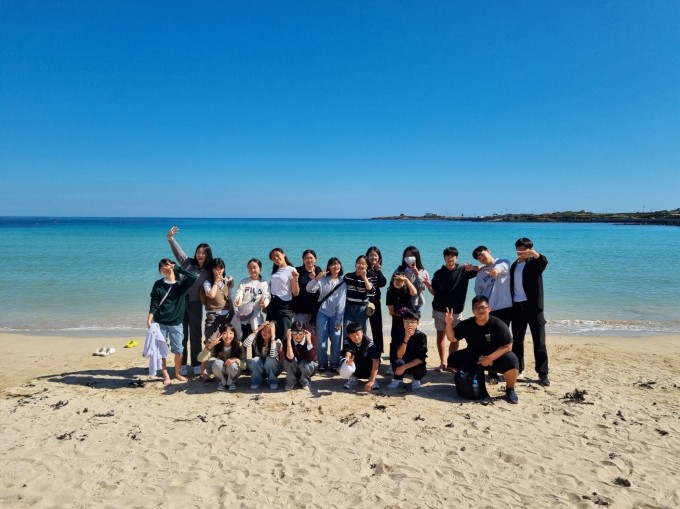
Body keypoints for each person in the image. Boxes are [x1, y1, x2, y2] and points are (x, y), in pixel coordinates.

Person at [444, 296, 520, 404]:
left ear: (489, 309)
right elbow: (452, 338)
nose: (480, 310)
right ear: (473, 310)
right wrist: (448, 323)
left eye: (483, 307)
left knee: (512, 361)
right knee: (453, 359)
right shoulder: (467, 324)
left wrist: (490, 358)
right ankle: (472, 378)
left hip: (494, 357)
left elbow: (508, 346)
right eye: (477, 308)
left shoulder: (497, 324)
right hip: (474, 356)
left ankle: (510, 389)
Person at [167, 226, 213, 376]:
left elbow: (220, 276)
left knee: (196, 335)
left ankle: (196, 363)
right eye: (198, 252)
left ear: (207, 255)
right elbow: (178, 252)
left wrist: (229, 281)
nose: (200, 255)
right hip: (181, 302)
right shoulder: (188, 263)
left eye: (203, 253)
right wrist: (171, 238)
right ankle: (183, 364)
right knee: (182, 335)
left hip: (196, 303)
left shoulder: (208, 272)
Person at [424, 247, 477, 371]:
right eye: (448, 255)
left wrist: (473, 267)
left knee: (455, 337)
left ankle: (451, 363)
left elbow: (482, 269)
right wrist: (428, 286)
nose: (450, 258)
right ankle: (442, 363)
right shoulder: (438, 273)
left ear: (456, 258)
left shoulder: (464, 271)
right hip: (439, 309)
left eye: (453, 256)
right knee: (440, 335)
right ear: (444, 258)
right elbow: (434, 292)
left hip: (456, 311)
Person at [147, 259, 198, 385]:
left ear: (172, 266)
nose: (164, 268)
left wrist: (178, 268)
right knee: (161, 350)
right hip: (160, 322)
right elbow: (154, 303)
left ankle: (177, 373)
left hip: (176, 322)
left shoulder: (181, 284)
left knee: (179, 350)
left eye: (166, 265)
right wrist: (149, 318)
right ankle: (165, 375)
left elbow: (194, 277)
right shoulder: (158, 284)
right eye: (161, 267)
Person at [510, 237, 550, 386]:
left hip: (534, 308)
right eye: (519, 248)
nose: (521, 251)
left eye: (524, 249)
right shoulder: (514, 265)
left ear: (530, 249)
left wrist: (534, 254)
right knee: (517, 341)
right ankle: (518, 369)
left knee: (539, 342)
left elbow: (544, 261)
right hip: (517, 307)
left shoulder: (534, 263)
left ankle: (543, 373)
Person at [306, 257, 346, 372]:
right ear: (329, 267)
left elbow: (342, 302)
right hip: (322, 313)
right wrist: (316, 279)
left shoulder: (342, 282)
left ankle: (334, 363)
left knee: (336, 339)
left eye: (337, 264)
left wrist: (339, 319)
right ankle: (322, 363)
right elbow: (309, 289)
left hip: (336, 314)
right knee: (321, 340)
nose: (335, 266)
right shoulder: (323, 280)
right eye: (333, 264)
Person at [199, 257, 235, 380]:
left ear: (224, 269)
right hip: (212, 315)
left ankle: (227, 365)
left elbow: (232, 286)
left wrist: (229, 279)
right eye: (216, 268)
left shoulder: (227, 280)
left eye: (221, 268)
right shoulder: (207, 282)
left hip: (227, 314)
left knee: (227, 339)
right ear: (212, 269)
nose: (218, 271)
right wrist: (216, 282)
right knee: (209, 341)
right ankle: (203, 370)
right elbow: (211, 295)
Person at [385, 272, 418, 373]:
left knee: (411, 341)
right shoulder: (390, 292)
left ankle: (409, 363)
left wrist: (406, 280)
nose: (398, 282)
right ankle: (392, 363)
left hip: (411, 321)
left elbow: (414, 293)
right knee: (395, 342)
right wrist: (402, 317)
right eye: (396, 280)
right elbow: (391, 310)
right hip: (398, 320)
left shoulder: (407, 289)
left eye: (400, 280)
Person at [386, 310, 428, 390]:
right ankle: (398, 379)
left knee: (421, 367)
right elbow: (399, 355)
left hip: (414, 364)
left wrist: (404, 367)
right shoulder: (398, 333)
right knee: (397, 362)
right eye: (406, 321)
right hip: (402, 361)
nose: (409, 324)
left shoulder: (421, 336)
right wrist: (406, 338)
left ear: (417, 323)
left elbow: (421, 359)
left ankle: (416, 380)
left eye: (412, 322)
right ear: (403, 321)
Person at [472, 246, 512, 326]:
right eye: (478, 257)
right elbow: (478, 292)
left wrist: (496, 270)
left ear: (488, 251)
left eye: (482, 254)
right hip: (488, 309)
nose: (481, 258)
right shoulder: (480, 273)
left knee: (503, 332)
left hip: (504, 307)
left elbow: (502, 267)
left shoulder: (503, 262)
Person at [197, 323, 243, 391]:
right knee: (217, 363)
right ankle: (223, 382)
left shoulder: (238, 344)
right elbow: (200, 358)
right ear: (220, 334)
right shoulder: (216, 345)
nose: (228, 336)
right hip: (221, 372)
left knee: (233, 365)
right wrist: (210, 346)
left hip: (234, 371)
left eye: (231, 333)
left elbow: (245, 364)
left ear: (234, 334)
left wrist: (236, 360)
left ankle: (230, 382)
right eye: (225, 333)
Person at [267, 248, 299, 342]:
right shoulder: (275, 270)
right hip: (272, 304)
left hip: (284, 305)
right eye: (273, 258)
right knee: (271, 333)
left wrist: (296, 279)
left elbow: (296, 293)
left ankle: (286, 351)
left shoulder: (291, 269)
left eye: (277, 255)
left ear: (283, 254)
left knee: (284, 334)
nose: (276, 258)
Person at [233, 258, 270, 339]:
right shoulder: (244, 282)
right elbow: (239, 293)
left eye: (254, 267)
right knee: (242, 339)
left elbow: (267, 296)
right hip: (243, 315)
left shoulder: (264, 283)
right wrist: (237, 300)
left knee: (255, 340)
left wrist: (264, 303)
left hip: (256, 316)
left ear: (260, 268)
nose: (252, 270)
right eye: (250, 268)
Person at [242, 321, 283, 390]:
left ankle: (273, 381)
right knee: (255, 360)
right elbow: (245, 344)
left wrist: (273, 338)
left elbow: (273, 356)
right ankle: (257, 380)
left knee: (270, 359)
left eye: (269, 331)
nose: (265, 333)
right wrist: (258, 329)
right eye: (264, 330)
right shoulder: (257, 339)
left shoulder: (277, 341)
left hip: (273, 369)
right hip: (260, 369)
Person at [341, 322, 381, 391]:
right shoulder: (347, 340)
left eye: (357, 334)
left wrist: (372, 380)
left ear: (362, 332)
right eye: (353, 335)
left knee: (376, 358)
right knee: (344, 358)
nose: (356, 338)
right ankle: (353, 377)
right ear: (349, 336)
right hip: (356, 367)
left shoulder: (369, 343)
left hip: (368, 368)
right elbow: (348, 351)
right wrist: (347, 361)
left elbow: (376, 361)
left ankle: (372, 379)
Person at [343, 255, 374, 338]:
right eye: (359, 263)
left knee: (361, 334)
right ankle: (347, 347)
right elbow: (341, 291)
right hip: (349, 308)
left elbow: (371, 291)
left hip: (362, 309)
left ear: (367, 266)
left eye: (363, 264)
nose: (360, 265)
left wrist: (364, 277)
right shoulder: (348, 276)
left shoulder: (368, 278)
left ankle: (361, 347)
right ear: (355, 264)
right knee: (347, 333)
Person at [292, 249, 323, 330]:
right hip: (299, 308)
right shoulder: (297, 271)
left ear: (315, 259)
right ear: (303, 259)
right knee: (299, 332)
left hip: (314, 309)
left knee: (312, 334)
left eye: (311, 258)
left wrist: (315, 279)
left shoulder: (318, 270)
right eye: (306, 258)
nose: (309, 260)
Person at [283, 321, 318, 391]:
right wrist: (289, 341)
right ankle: (290, 382)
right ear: (291, 333)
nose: (298, 335)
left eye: (300, 332)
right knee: (288, 361)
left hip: (309, 367)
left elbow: (311, 357)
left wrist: (308, 341)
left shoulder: (312, 338)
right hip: (295, 368)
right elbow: (290, 359)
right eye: (295, 332)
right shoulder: (288, 340)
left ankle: (306, 383)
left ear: (304, 332)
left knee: (304, 364)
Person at [393, 246, 429, 314]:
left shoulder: (422, 271)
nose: (409, 257)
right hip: (402, 302)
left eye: (411, 255)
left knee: (414, 320)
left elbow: (423, 287)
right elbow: (393, 284)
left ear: (416, 257)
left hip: (417, 303)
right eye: (406, 255)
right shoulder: (400, 269)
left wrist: (417, 274)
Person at [365, 246, 387, 357]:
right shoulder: (364, 269)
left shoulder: (377, 270)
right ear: (367, 257)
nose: (373, 257)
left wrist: (379, 271)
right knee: (362, 327)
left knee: (377, 328)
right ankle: (362, 350)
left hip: (375, 302)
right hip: (363, 302)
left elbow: (383, 283)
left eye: (375, 255)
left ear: (379, 258)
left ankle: (378, 352)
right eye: (371, 255)